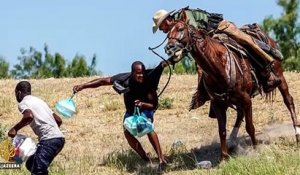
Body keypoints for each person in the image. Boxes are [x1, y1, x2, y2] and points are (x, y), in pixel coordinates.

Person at [152, 7, 282, 95]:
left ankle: (268, 57)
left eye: (161, 26)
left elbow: (195, 37)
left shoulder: (185, 16)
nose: (161, 30)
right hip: (210, 40)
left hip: (221, 28)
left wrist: (181, 52)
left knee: (244, 41)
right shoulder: (175, 31)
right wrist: (170, 60)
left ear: (167, 20)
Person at [73, 60, 169, 170]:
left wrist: (142, 104)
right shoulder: (124, 79)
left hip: (146, 108)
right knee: (127, 131)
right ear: (132, 73)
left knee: (147, 126)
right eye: (138, 73)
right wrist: (83, 86)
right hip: (130, 111)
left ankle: (161, 158)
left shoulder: (149, 81)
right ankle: (146, 159)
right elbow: (103, 81)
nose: (141, 75)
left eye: (142, 72)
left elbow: (154, 105)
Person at [8, 81, 65, 175]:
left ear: (18, 92)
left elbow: (29, 116)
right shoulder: (40, 101)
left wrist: (15, 129)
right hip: (59, 139)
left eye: (15, 94)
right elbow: (58, 120)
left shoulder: (23, 102)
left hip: (49, 140)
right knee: (31, 164)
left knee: (38, 171)